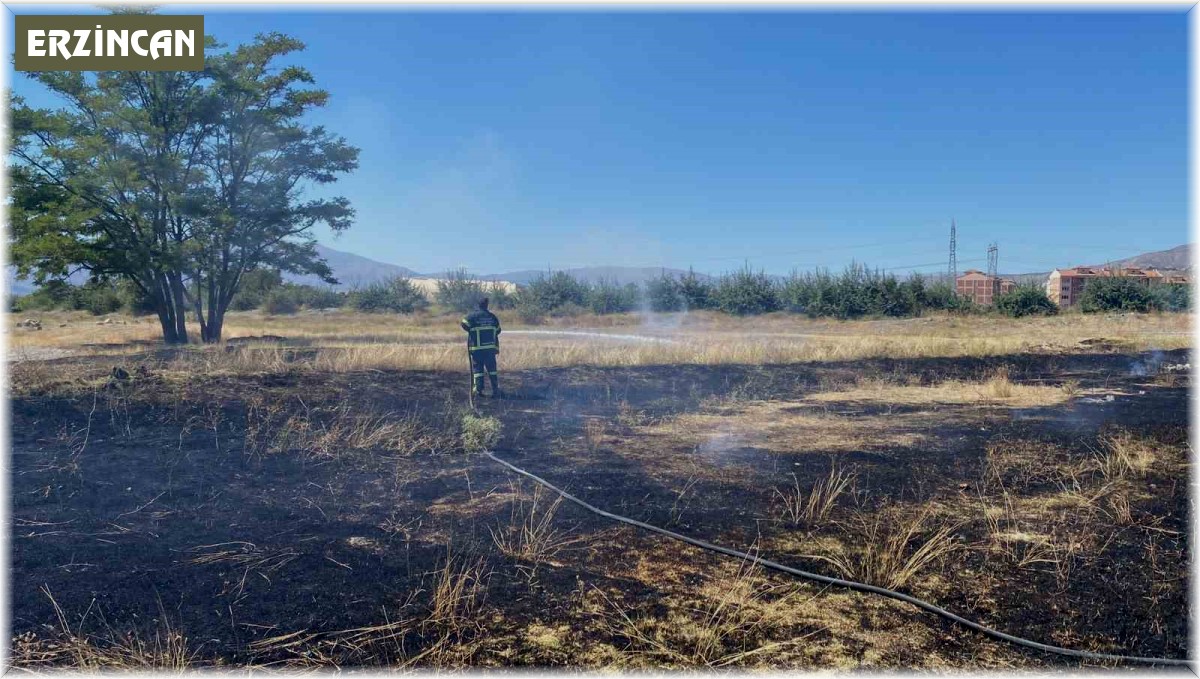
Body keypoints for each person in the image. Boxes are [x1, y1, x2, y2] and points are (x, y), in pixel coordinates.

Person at [461, 297, 502, 398]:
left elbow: (464, 323)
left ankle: (478, 390)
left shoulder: (473, 316)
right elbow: (498, 330)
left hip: (477, 349)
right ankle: (495, 390)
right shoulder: (492, 317)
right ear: (487, 305)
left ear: (478, 305)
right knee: (492, 369)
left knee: (478, 369)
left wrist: (471, 329)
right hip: (490, 349)